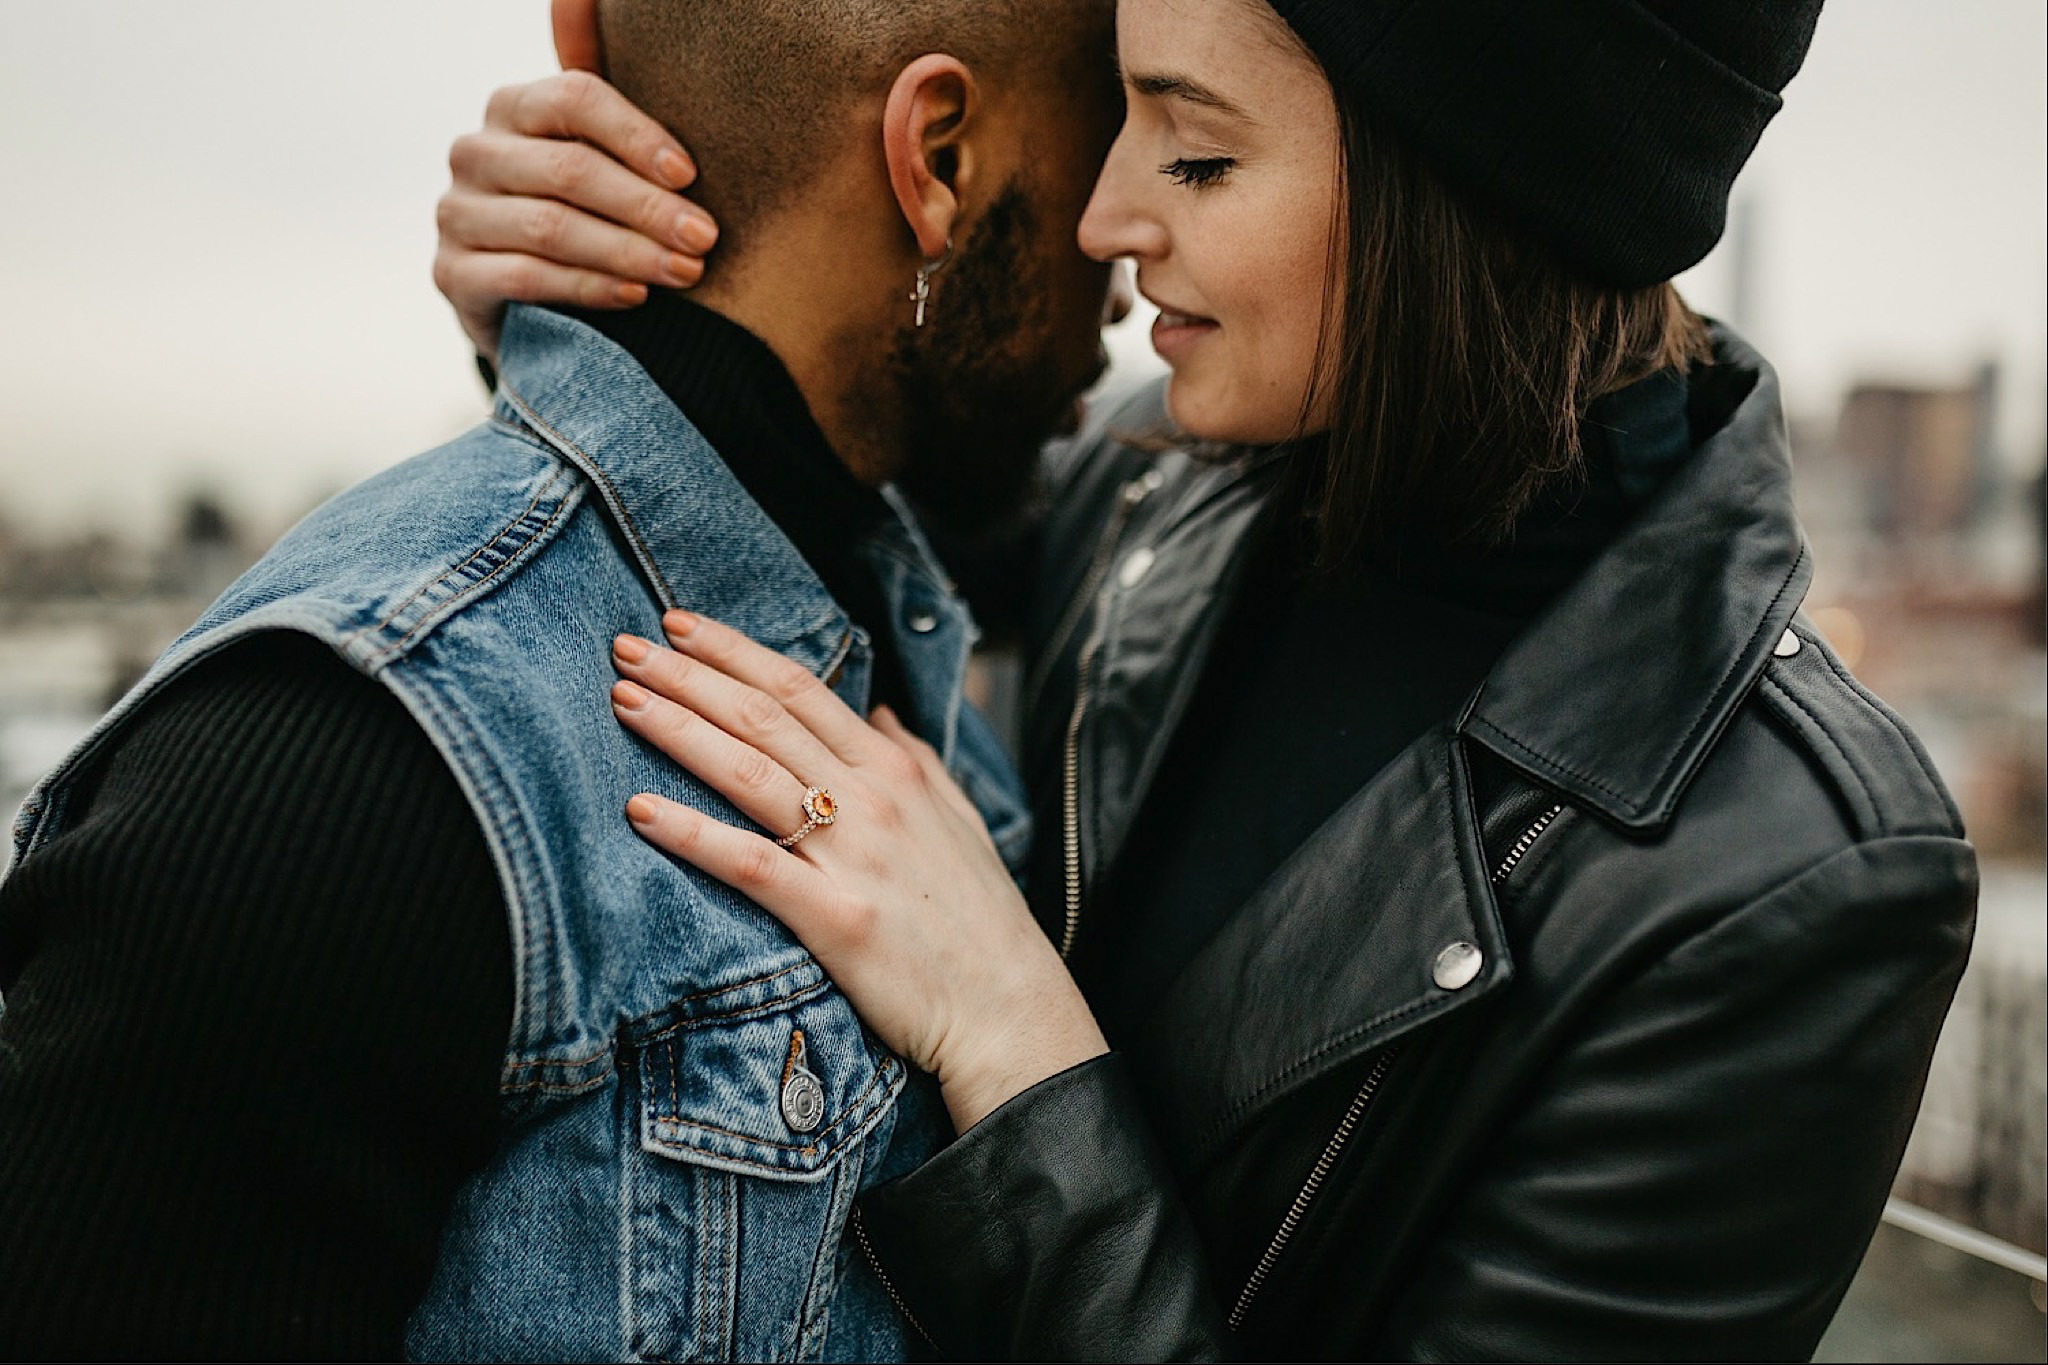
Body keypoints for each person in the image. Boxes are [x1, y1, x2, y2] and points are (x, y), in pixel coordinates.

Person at [435, 0, 1982, 1359]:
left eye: (1194, 155)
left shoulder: (1796, 884)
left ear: (1477, 190)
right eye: (1121, 115)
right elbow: (813, 539)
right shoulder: (1150, 488)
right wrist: (604, 305)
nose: (1107, 215)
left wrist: (1014, 1045)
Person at [0, 0, 1121, 1357]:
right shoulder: (338, 767)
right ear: (935, 161)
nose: (1120, 244)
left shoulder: (895, 606)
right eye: (1115, 136)